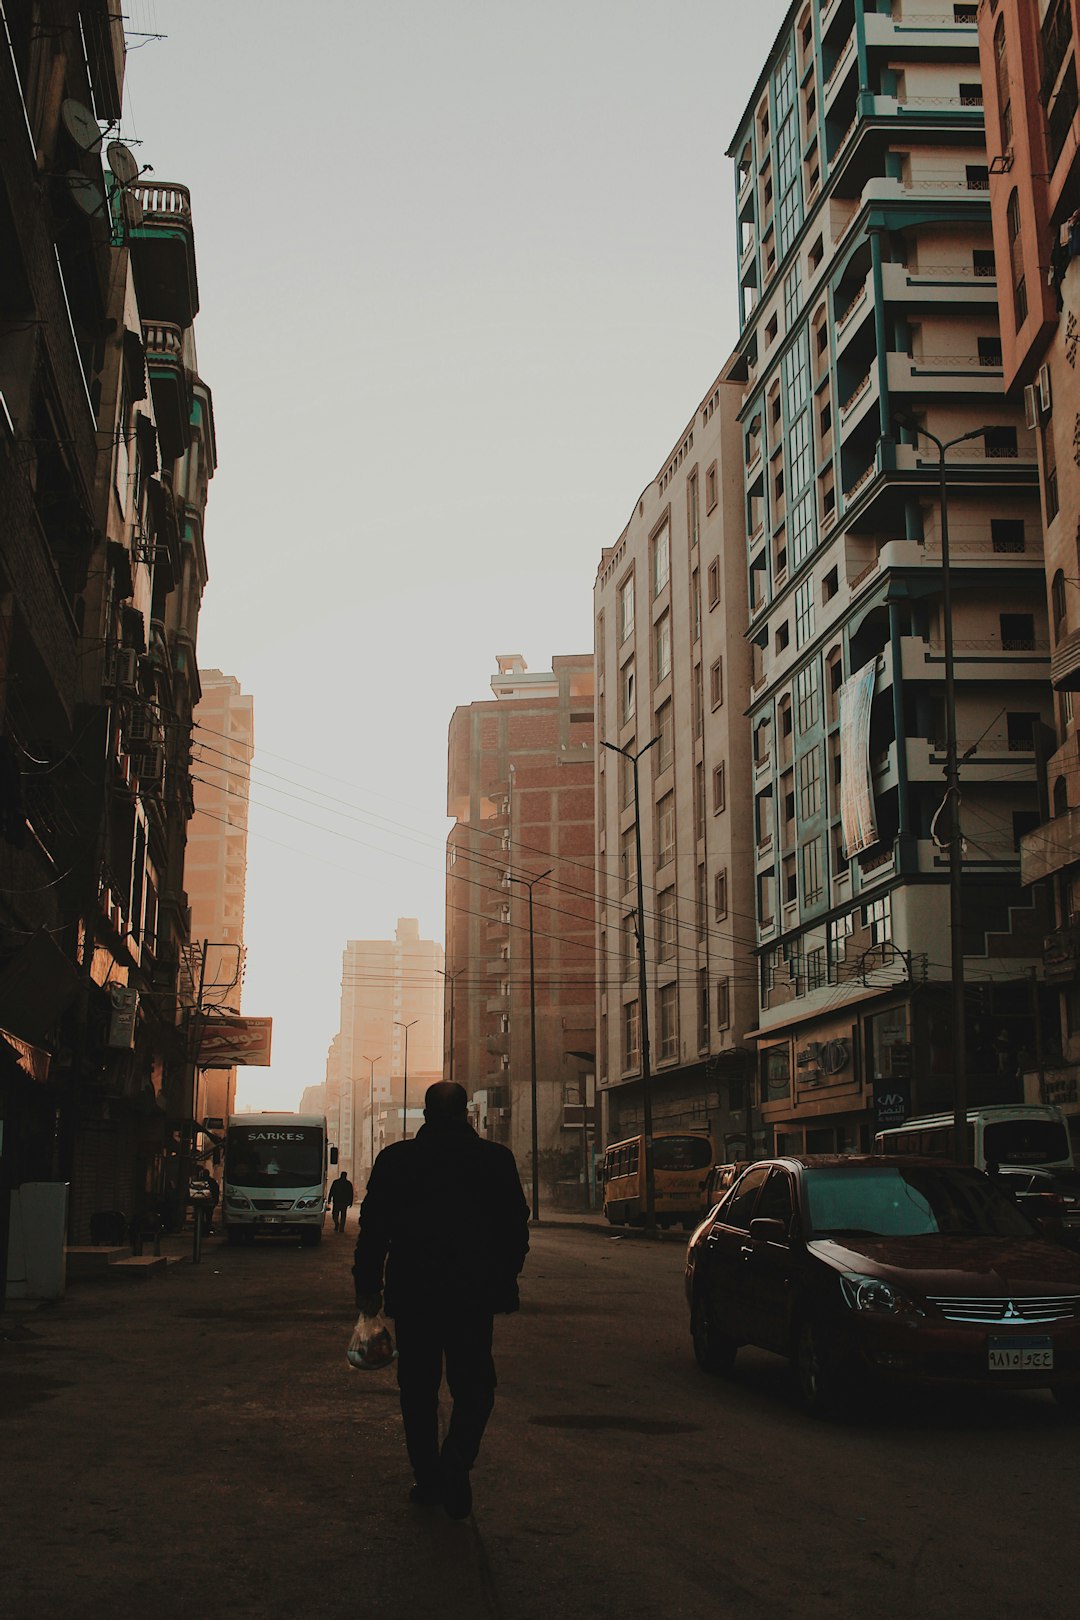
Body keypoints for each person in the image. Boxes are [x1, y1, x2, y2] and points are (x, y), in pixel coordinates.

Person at [352, 1080, 529, 1520]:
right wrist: (504, 1279)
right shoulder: (494, 1160)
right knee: (475, 1388)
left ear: (427, 1113)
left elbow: (373, 1230)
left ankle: (430, 1478)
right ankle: (456, 1461)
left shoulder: (397, 1160)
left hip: (415, 1297)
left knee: (417, 1391)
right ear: (467, 1112)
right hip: (472, 1297)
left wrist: (368, 1285)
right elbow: (515, 1231)